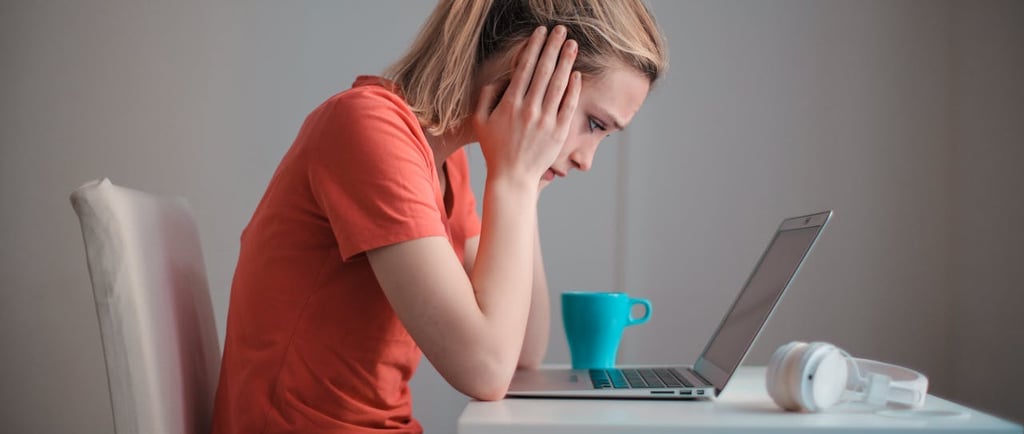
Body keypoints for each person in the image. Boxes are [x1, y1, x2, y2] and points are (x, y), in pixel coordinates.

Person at [211, 0, 667, 433]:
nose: (588, 160)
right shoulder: (368, 128)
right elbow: (484, 369)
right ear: (531, 67)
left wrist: (526, 183)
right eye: (595, 124)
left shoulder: (447, 163)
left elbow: (523, 351)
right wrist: (514, 181)